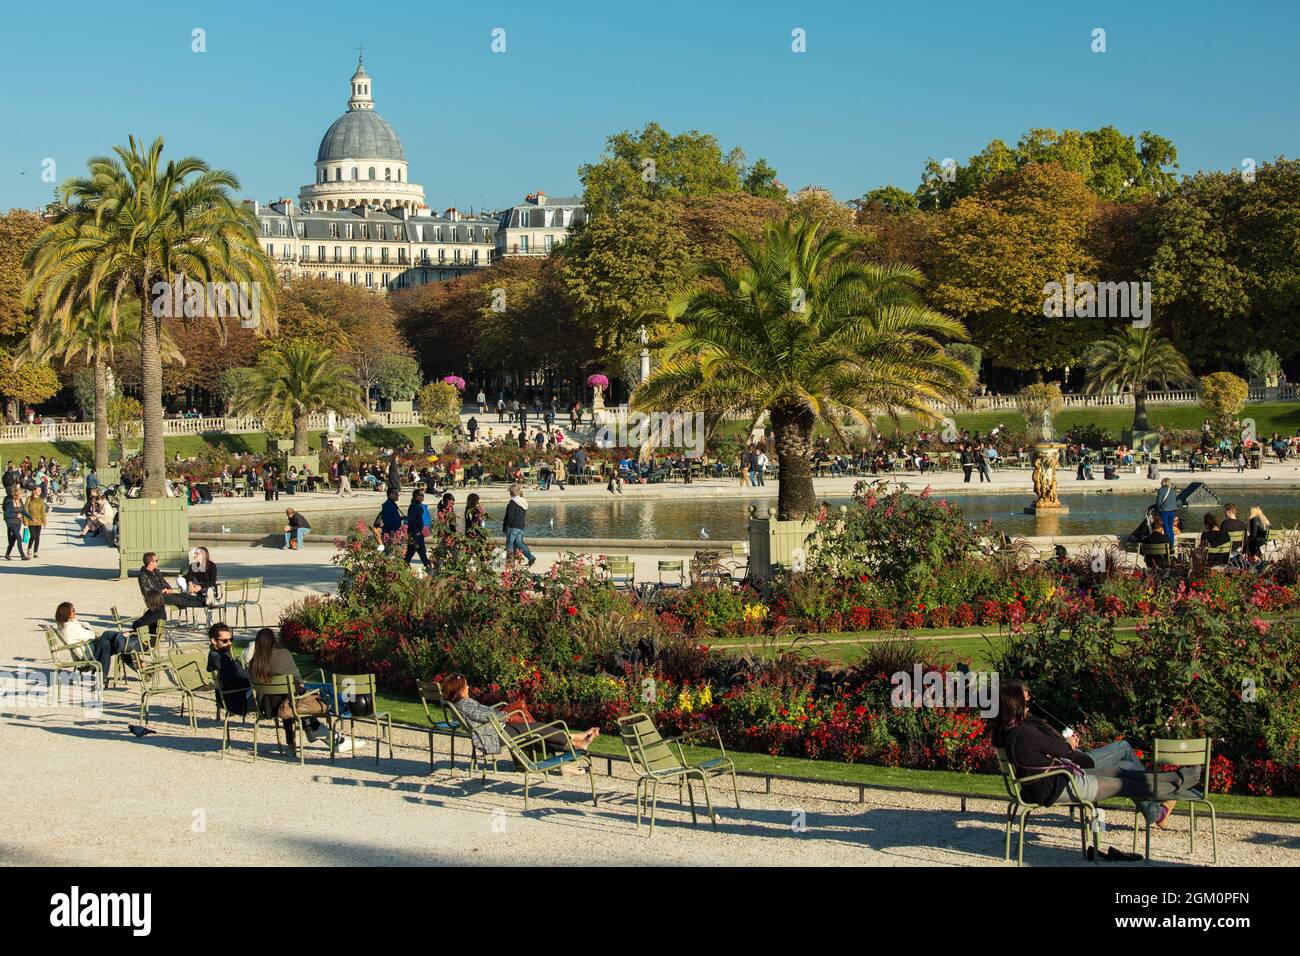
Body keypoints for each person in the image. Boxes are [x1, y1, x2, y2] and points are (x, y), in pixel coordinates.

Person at [993, 680, 1195, 832]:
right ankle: (1179, 786)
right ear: (1016, 704)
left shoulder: (1007, 731)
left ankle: (1175, 781)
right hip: (1062, 784)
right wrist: (1068, 744)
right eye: (1025, 698)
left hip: (1054, 780)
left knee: (1125, 772)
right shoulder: (1024, 731)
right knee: (1125, 782)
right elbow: (1063, 750)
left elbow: (1046, 751)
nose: (1029, 700)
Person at [443, 675, 599, 760]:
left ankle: (576, 743)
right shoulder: (465, 704)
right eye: (466, 685)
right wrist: (506, 714)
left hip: (497, 731)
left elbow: (485, 714)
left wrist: (501, 712)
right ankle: (577, 738)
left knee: (537, 732)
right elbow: (488, 717)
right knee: (537, 728)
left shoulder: (462, 704)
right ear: (460, 690)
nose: (469, 687)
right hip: (495, 736)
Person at [247, 627, 351, 752]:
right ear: (274, 641)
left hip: (267, 707)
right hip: (290, 704)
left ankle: (311, 732)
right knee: (325, 689)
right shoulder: (283, 654)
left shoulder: (254, 663)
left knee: (290, 696)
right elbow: (298, 682)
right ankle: (342, 714)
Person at [55, 601, 126, 687]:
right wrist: (86, 627)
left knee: (108, 644)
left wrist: (84, 626)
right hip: (88, 654)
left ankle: (103, 678)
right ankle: (124, 636)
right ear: (66, 613)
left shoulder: (65, 624)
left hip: (89, 648)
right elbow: (91, 635)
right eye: (72, 610)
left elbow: (85, 624)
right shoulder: (69, 627)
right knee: (107, 635)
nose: (75, 611)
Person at [207, 622, 251, 716]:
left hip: (239, 693)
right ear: (214, 641)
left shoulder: (220, 655)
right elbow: (234, 683)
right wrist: (254, 680)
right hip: (237, 699)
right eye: (225, 641)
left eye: (231, 639)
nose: (229, 643)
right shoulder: (220, 659)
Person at [138, 551, 205, 609]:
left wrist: (169, 589)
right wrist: (161, 591)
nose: (157, 562)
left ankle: (204, 599)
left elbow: (164, 582)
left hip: (164, 594)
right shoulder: (143, 575)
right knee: (180, 600)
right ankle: (204, 604)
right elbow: (146, 590)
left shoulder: (156, 571)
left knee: (184, 595)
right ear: (150, 563)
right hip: (155, 598)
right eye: (156, 560)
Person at [503, 482, 535, 567]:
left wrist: (505, 527)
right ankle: (530, 557)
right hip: (520, 527)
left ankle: (510, 562)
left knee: (510, 545)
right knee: (519, 543)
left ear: (511, 492)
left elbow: (508, 517)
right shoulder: (523, 502)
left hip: (512, 527)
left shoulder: (512, 503)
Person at [404, 489, 431, 569]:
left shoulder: (417, 505)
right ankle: (429, 567)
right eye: (421, 495)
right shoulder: (413, 506)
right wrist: (416, 532)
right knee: (420, 551)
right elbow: (411, 520)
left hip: (416, 533)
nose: (423, 497)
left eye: (423, 495)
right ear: (416, 496)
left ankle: (403, 567)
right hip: (415, 534)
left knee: (411, 552)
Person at [4, 486, 30, 560]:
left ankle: (7, 554)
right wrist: (16, 515)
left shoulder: (20, 500)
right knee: (19, 538)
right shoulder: (10, 501)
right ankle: (23, 555)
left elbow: (23, 511)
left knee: (13, 539)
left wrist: (30, 518)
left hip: (18, 523)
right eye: (21, 494)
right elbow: (6, 514)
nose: (22, 495)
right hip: (12, 523)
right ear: (17, 494)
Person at [1155, 478, 1178, 543]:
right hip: (1173, 511)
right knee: (1170, 528)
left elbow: (1158, 502)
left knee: (1166, 528)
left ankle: (1167, 543)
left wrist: (1158, 508)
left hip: (1164, 511)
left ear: (1163, 483)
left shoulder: (1161, 490)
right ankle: (1172, 544)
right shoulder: (1173, 490)